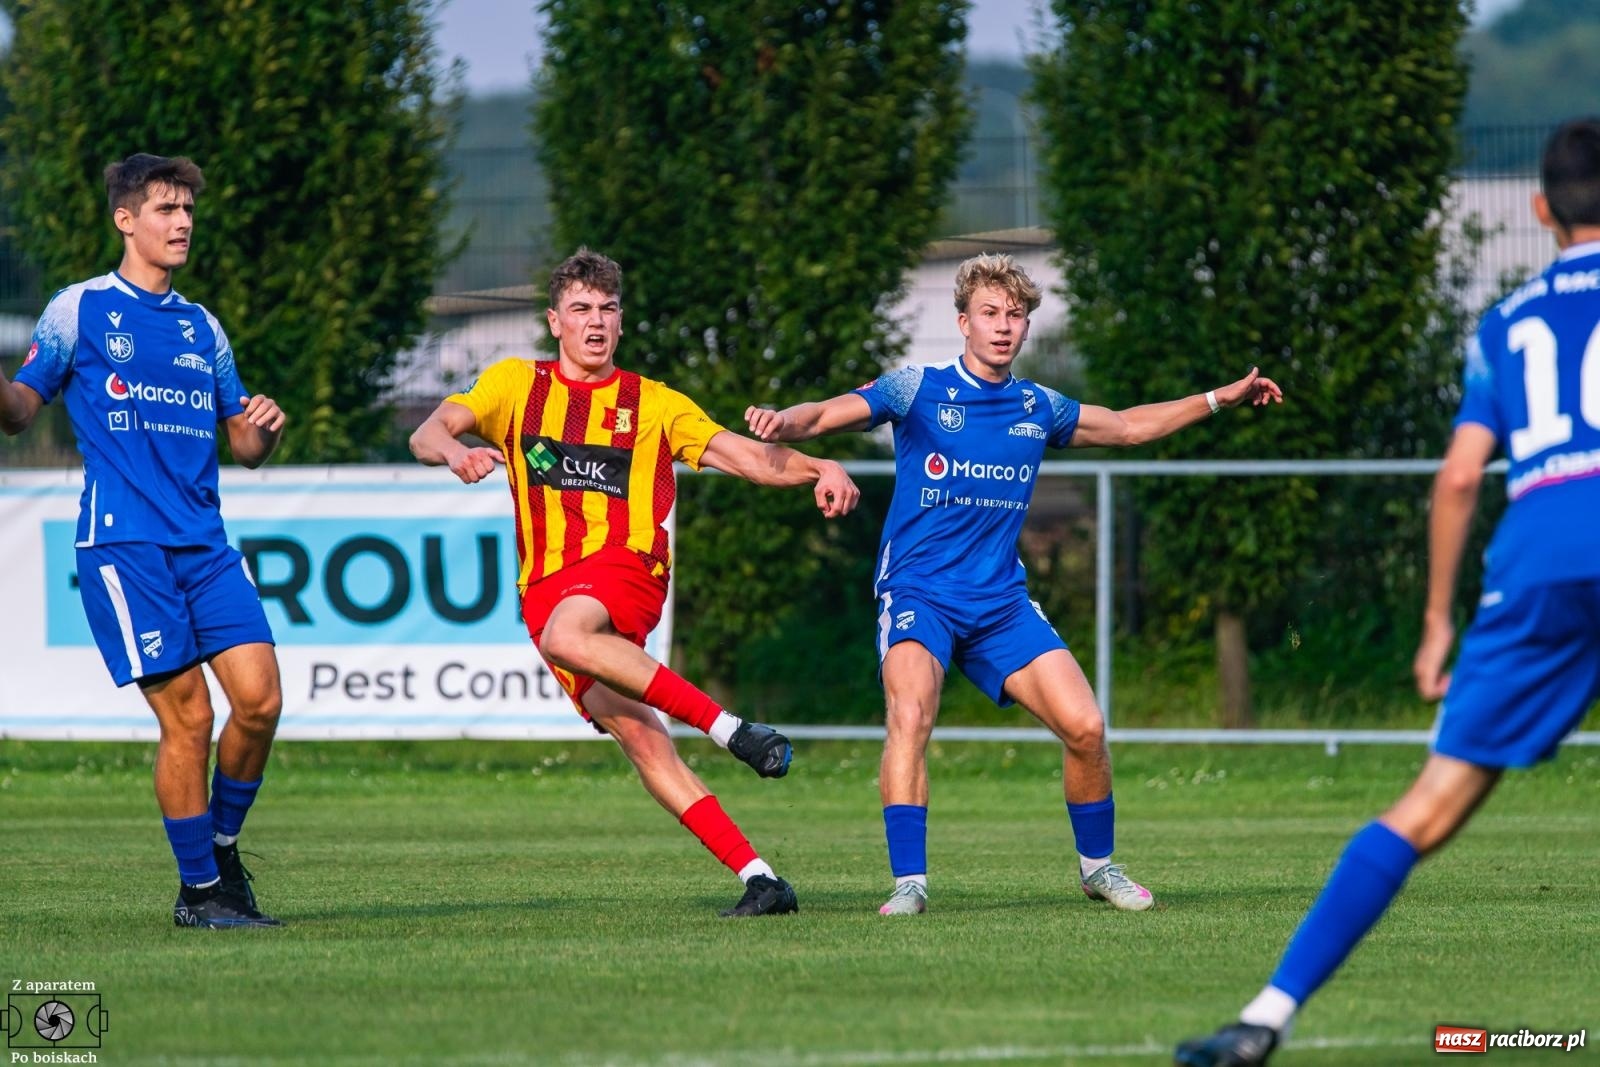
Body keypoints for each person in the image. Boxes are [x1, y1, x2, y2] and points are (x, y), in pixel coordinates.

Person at [1175, 116, 1600, 1066]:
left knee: (1426, 806)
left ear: (1541, 209)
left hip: (1535, 562)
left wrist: (1436, 623)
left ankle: (1265, 1018)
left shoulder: (1509, 322)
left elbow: (1457, 479)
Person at [745, 253, 1281, 916]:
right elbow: (827, 414)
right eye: (991, 314)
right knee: (911, 715)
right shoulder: (917, 389)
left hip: (999, 602)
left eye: (1016, 315)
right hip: (920, 592)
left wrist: (1217, 398)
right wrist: (781, 418)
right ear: (964, 322)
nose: (1004, 326)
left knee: (1086, 725)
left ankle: (1099, 869)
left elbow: (1126, 425)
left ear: (1026, 327)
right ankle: (909, 883)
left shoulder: (1038, 405)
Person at [410, 248, 859, 917]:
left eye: (608, 310)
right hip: (546, 593)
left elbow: (746, 456)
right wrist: (455, 451)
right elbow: (430, 429)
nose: (596, 322)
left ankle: (731, 728)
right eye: (582, 309)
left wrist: (818, 463)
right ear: (555, 320)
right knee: (642, 737)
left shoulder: (651, 404)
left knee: (570, 633)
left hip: (625, 572)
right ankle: (761, 878)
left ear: (621, 324)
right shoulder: (512, 387)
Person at [0, 154, 288, 928]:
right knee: (189, 717)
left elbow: (244, 445)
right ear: (125, 219)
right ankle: (200, 894)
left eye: (187, 208)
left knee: (259, 702)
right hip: (126, 545)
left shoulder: (203, 327)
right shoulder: (80, 309)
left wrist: (260, 430)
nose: (182, 222)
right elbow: (20, 410)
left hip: (205, 543)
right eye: (165, 208)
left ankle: (221, 850)